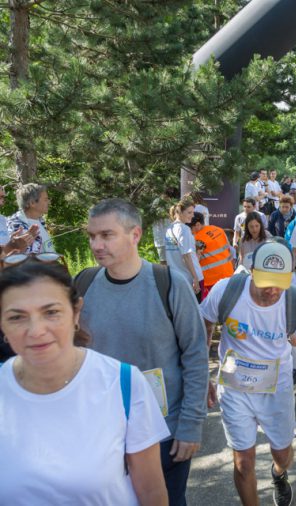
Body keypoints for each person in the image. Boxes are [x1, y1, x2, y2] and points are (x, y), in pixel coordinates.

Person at [0, 259, 170, 504]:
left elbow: (151, 492)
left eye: (51, 312)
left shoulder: (123, 383)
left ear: (75, 312)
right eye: (17, 317)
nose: (36, 330)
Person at [200, 240, 296, 506]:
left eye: (279, 283)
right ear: (251, 270)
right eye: (265, 281)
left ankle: (279, 474)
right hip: (235, 387)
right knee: (243, 462)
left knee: (282, 455)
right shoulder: (226, 291)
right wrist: (203, 375)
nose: (272, 290)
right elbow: (203, 328)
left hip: (277, 388)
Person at [80, 198, 209, 506]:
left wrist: (191, 424)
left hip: (163, 433)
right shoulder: (83, 285)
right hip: (104, 432)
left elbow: (195, 355)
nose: (97, 244)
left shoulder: (169, 285)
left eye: (107, 235)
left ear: (135, 235)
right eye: (92, 236)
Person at [189, 212, 234, 299]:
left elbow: (195, 261)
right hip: (228, 273)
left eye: (190, 228)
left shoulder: (198, 239)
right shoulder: (218, 229)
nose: (190, 231)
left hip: (212, 280)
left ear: (197, 225)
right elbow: (229, 249)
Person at [165, 199, 203, 301]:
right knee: (195, 312)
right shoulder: (184, 229)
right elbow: (186, 255)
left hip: (176, 277)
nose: (192, 215)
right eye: (189, 212)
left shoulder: (169, 228)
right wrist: (195, 278)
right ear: (179, 212)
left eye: (193, 212)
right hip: (190, 279)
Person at [7, 183, 54, 254]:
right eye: (45, 199)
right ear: (32, 203)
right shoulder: (15, 225)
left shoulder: (40, 220)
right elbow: (15, 257)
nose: (49, 202)